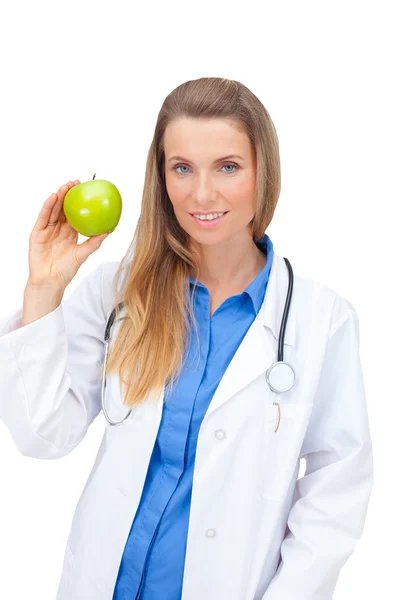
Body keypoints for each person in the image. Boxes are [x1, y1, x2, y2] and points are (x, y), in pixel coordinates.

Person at [0, 77, 374, 600]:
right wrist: (44, 288)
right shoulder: (119, 291)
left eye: (227, 166)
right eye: (182, 168)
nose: (202, 194)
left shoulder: (321, 319)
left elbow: (337, 488)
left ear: (262, 172)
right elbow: (42, 435)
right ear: (162, 178)